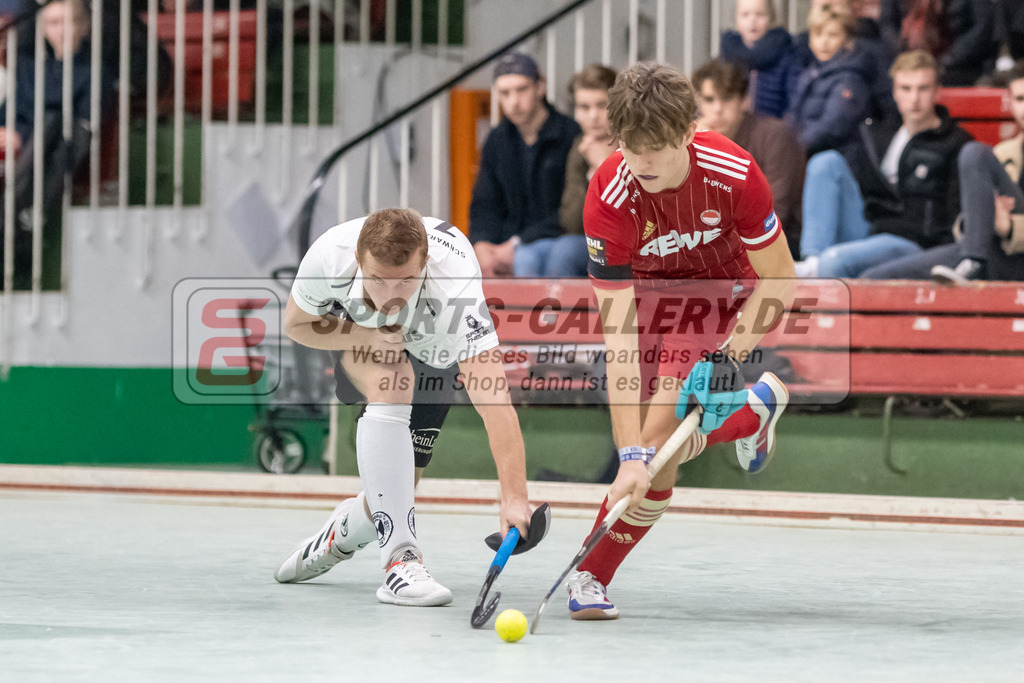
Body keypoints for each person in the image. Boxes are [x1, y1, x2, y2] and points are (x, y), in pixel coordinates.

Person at [564, 62, 794, 620]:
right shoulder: (611, 194)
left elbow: (781, 280)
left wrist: (728, 356)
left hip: (715, 294)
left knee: (660, 434)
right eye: (630, 149)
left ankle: (588, 574)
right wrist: (630, 456)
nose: (641, 164)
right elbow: (618, 336)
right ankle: (752, 413)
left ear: (688, 133)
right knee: (651, 461)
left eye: (656, 151)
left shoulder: (733, 172)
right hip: (643, 300)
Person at [273, 208, 535, 606]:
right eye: (378, 279)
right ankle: (401, 562)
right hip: (361, 333)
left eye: (406, 280)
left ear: (425, 263)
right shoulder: (330, 255)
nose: (392, 295)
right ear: (359, 261)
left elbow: (494, 401)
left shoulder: (456, 289)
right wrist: (366, 334)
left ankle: (339, 535)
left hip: (436, 350)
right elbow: (296, 323)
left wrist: (515, 497)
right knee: (393, 379)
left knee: (396, 489)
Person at [794, 50, 972, 278]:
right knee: (825, 162)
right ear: (895, 92)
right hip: (870, 227)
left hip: (914, 241)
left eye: (923, 88)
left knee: (833, 262)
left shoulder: (956, 142)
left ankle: (816, 271)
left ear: (937, 91)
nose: (914, 98)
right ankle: (812, 259)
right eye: (906, 89)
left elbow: (955, 217)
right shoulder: (879, 132)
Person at [862, 62, 1024, 282]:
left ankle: (973, 263)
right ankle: (972, 261)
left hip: (1016, 254)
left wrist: (1009, 227)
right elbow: (963, 227)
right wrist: (986, 216)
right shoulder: (1003, 153)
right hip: (988, 251)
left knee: (974, 152)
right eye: (1019, 99)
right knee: (873, 280)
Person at [0, 0, 114, 284]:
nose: (62, 30)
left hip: (61, 147)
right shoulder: (28, 69)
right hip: (25, 150)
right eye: (53, 23)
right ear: (41, 29)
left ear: (85, 26)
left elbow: (85, 124)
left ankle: (12, 221)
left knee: (54, 124)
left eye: (70, 21)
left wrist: (22, 135)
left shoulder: (96, 71)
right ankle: (17, 222)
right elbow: (7, 115)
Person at [469, 52, 583, 278]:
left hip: (555, 241)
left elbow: (571, 211)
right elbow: (484, 204)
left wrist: (517, 244)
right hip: (505, 246)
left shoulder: (571, 135)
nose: (513, 102)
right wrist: (482, 244)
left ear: (540, 87)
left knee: (529, 259)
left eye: (522, 89)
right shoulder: (496, 140)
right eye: (505, 93)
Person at [692, 58, 805, 259]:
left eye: (726, 99)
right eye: (709, 100)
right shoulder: (694, 142)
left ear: (745, 100)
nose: (717, 109)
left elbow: (776, 211)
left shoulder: (773, 135)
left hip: (780, 246)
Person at [786, 3, 875, 155]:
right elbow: (793, 116)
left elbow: (832, 127)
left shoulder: (851, 78)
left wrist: (792, 150)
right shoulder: (812, 71)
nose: (824, 42)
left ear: (848, 40)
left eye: (832, 35)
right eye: (818, 34)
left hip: (835, 158)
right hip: (803, 155)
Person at [558, 63, 618, 250]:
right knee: (552, 252)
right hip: (589, 240)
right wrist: (591, 176)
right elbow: (571, 223)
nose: (593, 116)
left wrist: (603, 167)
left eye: (602, 106)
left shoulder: (636, 143)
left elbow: (633, 220)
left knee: (564, 253)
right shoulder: (580, 148)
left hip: (633, 244)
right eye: (584, 107)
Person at [879, 0, 996, 86]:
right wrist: (904, 56)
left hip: (958, 66)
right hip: (906, 60)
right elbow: (887, 24)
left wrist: (948, 59)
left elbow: (982, 26)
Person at [720, 0, 799, 119]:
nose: (753, 21)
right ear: (736, 20)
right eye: (745, 15)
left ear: (771, 18)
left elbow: (794, 100)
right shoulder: (728, 54)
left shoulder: (786, 54)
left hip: (774, 127)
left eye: (760, 14)